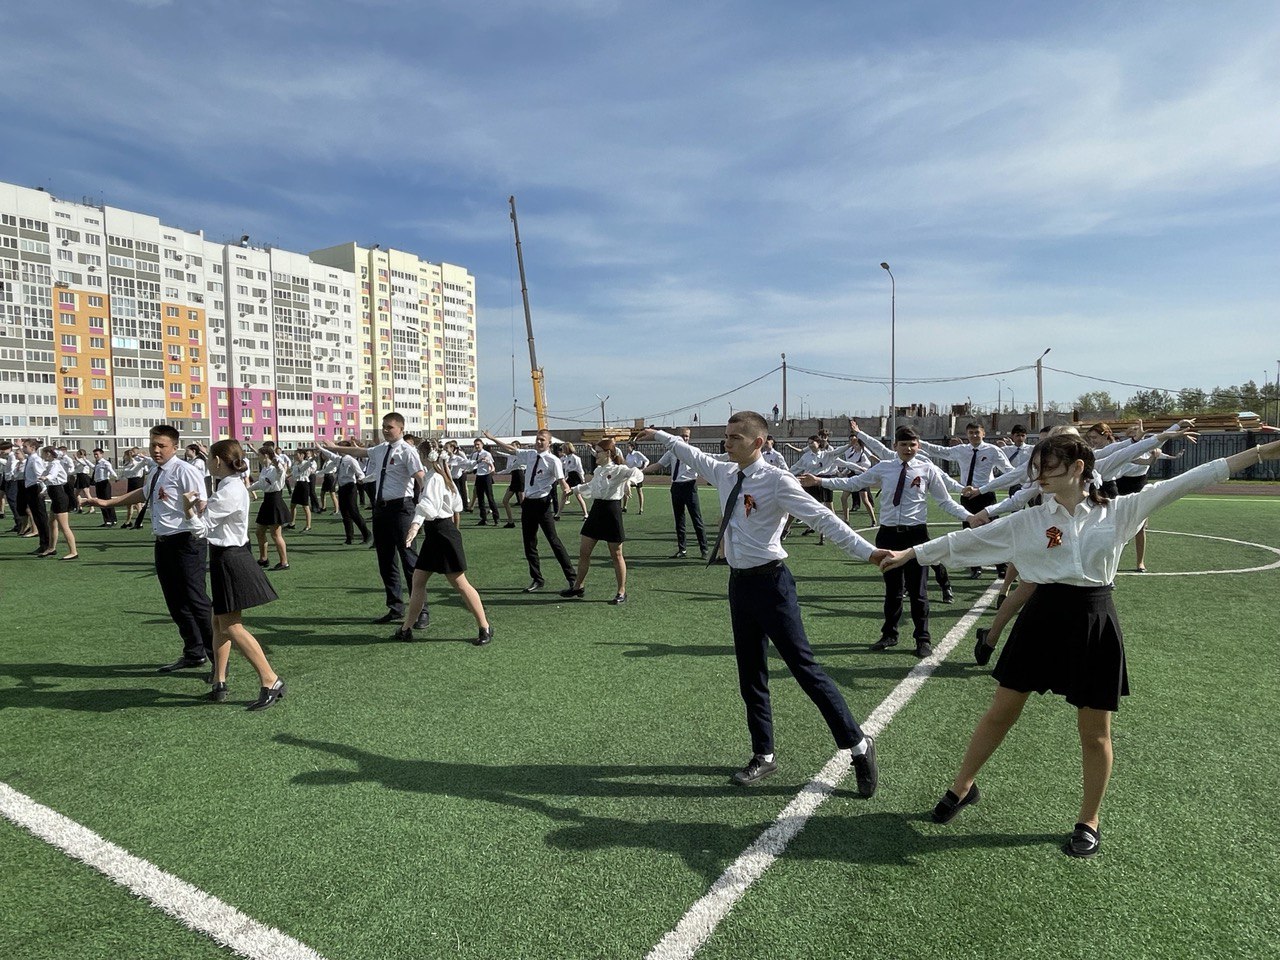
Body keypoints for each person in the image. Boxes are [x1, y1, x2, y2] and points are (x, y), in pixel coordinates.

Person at [880, 432, 1280, 858]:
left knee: (1095, 732)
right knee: (1001, 710)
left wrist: (1258, 453)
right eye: (1035, 469)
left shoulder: (1122, 510)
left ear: (1077, 469)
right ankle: (962, 787)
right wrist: (911, 554)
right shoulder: (1030, 518)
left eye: (1047, 468)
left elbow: (1193, 477)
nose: (1038, 478)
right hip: (1041, 617)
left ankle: (1089, 819)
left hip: (1094, 620)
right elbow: (967, 542)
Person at [637, 413, 883, 791]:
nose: (726, 443)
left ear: (757, 442)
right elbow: (685, 450)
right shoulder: (724, 472)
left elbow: (823, 519)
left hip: (772, 584)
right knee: (751, 673)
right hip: (740, 585)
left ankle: (857, 744)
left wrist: (870, 553)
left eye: (735, 437)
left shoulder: (777, 481)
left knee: (805, 669)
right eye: (725, 436)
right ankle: (763, 755)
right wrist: (657, 433)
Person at [802, 425, 972, 658]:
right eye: (903, 444)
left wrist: (969, 517)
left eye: (912, 444)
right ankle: (889, 634)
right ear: (895, 447)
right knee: (893, 591)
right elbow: (854, 483)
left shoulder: (927, 468)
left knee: (918, 591)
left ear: (919, 446)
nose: (908, 449)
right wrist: (820, 481)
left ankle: (922, 638)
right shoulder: (884, 467)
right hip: (889, 535)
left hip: (916, 536)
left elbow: (945, 502)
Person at [81, 424, 214, 673]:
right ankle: (194, 652)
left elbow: (202, 501)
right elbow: (143, 493)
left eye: (161, 445)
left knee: (197, 601)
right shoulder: (155, 471)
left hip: (186, 542)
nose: (155, 450)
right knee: (175, 601)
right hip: (163, 543)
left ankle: (217, 660)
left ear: (175, 447)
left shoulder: (184, 470)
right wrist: (108, 501)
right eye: (152, 444)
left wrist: (195, 511)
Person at [180, 439, 285, 710]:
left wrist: (188, 509)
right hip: (225, 556)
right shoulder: (230, 485)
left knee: (231, 626)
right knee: (219, 623)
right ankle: (219, 680)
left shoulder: (229, 489)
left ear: (217, 461)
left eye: (209, 458)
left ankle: (270, 679)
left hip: (230, 558)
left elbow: (201, 529)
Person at [324, 413, 427, 626]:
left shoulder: (407, 451)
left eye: (389, 427)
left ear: (400, 428)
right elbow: (358, 451)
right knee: (386, 561)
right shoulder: (380, 449)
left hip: (401, 509)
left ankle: (421, 610)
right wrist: (335, 447)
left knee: (409, 561)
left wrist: (426, 508)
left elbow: (420, 478)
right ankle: (395, 607)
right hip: (381, 511)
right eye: (384, 426)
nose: (385, 430)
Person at [395, 449, 493, 645]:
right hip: (438, 533)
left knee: (460, 583)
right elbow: (456, 506)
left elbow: (427, 506)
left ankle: (485, 627)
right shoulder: (443, 475)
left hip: (441, 533)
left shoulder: (434, 478)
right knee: (418, 580)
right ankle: (406, 629)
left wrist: (414, 526)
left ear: (425, 457)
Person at [483, 429, 576, 592]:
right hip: (528, 505)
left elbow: (561, 480)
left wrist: (567, 489)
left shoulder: (553, 460)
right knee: (529, 543)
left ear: (549, 443)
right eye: (537, 439)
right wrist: (493, 439)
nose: (539, 442)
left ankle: (572, 578)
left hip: (543, 505)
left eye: (542, 440)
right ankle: (537, 579)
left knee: (554, 541)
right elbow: (511, 449)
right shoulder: (530, 454)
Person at [919, 423, 1014, 580]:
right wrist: (920, 442)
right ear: (967, 435)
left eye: (977, 432)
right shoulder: (961, 450)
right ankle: (975, 567)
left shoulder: (992, 450)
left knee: (994, 531)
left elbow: (1008, 471)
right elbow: (941, 451)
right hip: (967, 495)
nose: (974, 435)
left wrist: (995, 484)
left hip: (986, 495)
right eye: (971, 433)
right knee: (969, 532)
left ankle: (1001, 566)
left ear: (983, 433)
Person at [561, 437, 644, 604]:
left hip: (612, 511)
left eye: (598, 452)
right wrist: (574, 490)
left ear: (607, 453)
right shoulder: (599, 470)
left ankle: (621, 592)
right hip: (597, 511)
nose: (595, 455)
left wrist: (629, 481)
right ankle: (578, 586)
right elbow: (591, 486)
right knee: (584, 551)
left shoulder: (619, 469)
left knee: (616, 554)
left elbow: (638, 473)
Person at [643, 426, 708, 559]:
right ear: (679, 436)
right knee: (679, 519)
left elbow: (703, 466)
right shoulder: (672, 451)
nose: (685, 438)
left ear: (690, 437)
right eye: (683, 435)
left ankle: (704, 549)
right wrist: (640, 471)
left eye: (687, 436)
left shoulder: (694, 451)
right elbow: (659, 465)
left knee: (696, 518)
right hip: (676, 486)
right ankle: (682, 549)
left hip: (690, 485)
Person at [314, 442, 370, 545]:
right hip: (342, 488)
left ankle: (366, 534)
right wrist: (321, 448)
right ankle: (349, 538)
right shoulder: (339, 459)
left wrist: (361, 479)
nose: (338, 450)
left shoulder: (351, 460)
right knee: (345, 514)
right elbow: (330, 454)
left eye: (340, 448)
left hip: (350, 488)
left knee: (354, 512)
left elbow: (360, 473)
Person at [249, 444, 290, 570]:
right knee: (259, 532)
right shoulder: (265, 469)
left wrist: (278, 465)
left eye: (260, 455)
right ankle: (263, 559)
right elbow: (260, 484)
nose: (258, 457)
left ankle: (284, 562)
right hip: (267, 501)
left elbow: (281, 472)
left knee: (275, 534)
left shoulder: (274, 468)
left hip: (275, 501)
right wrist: (246, 489)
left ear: (265, 455)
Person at [35, 446, 78, 559]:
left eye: (43, 453)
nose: (42, 455)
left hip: (59, 496)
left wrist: (45, 478)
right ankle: (51, 548)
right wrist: (43, 487)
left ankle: (73, 552)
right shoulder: (50, 464)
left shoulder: (55, 464)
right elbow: (43, 475)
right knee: (51, 523)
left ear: (49, 454)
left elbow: (52, 475)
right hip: (55, 496)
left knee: (64, 527)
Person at [20, 438, 50, 553]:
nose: (23, 449)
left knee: (41, 517)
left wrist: (44, 489)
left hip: (35, 489)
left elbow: (40, 475)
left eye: (25, 447)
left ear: (33, 448)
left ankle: (47, 544)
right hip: (30, 489)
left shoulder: (35, 459)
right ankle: (43, 544)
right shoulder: (30, 459)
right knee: (37, 518)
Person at [118, 447, 153, 528]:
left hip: (137, 482)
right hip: (130, 482)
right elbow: (125, 472)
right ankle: (128, 522)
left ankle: (139, 523)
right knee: (129, 503)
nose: (124, 456)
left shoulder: (138, 460)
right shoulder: (127, 463)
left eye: (125, 455)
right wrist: (118, 478)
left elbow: (138, 465)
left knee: (137, 504)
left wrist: (141, 456)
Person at [468, 438, 500, 525]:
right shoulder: (475, 455)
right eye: (475, 444)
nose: (476, 446)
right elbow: (473, 465)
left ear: (482, 445)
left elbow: (491, 464)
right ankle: (483, 518)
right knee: (480, 499)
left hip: (486, 476)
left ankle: (496, 518)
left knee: (490, 498)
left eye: (478, 444)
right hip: (479, 476)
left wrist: (491, 468)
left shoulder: (487, 453)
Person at [498, 439, 526, 528]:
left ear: (518, 447)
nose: (511, 447)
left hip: (520, 476)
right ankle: (511, 522)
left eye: (513, 446)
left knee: (523, 502)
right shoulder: (511, 457)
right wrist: (497, 473)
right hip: (514, 478)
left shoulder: (521, 455)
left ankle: (528, 521)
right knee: (505, 501)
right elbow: (509, 469)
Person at [287, 449, 316, 532]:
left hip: (304, 484)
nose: (295, 456)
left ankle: (308, 525)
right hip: (298, 484)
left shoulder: (305, 463)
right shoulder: (296, 464)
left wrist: (314, 457)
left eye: (297, 454)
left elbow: (309, 462)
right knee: (292, 505)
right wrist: (287, 476)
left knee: (305, 506)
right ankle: (292, 523)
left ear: (302, 455)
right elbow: (293, 473)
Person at [559, 441, 588, 517]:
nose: (563, 450)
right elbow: (566, 470)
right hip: (570, 477)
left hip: (575, 477)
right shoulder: (566, 458)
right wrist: (565, 478)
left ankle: (585, 513)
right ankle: (558, 514)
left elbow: (580, 469)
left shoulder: (576, 458)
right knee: (564, 494)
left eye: (564, 448)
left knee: (578, 496)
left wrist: (583, 479)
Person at [91, 448, 118, 526]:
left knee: (107, 502)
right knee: (100, 502)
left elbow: (111, 470)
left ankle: (113, 519)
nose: (95, 456)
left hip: (105, 483)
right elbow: (92, 467)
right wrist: (84, 460)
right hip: (98, 484)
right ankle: (106, 520)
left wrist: (116, 476)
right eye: (94, 454)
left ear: (101, 454)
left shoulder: (105, 463)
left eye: (97, 454)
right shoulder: (97, 464)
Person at [621, 441, 649, 514]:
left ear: (632, 447)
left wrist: (643, 468)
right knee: (626, 489)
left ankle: (641, 509)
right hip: (630, 473)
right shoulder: (628, 455)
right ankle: (624, 507)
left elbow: (646, 460)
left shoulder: (637, 453)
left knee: (639, 491)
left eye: (628, 446)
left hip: (637, 474)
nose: (626, 448)